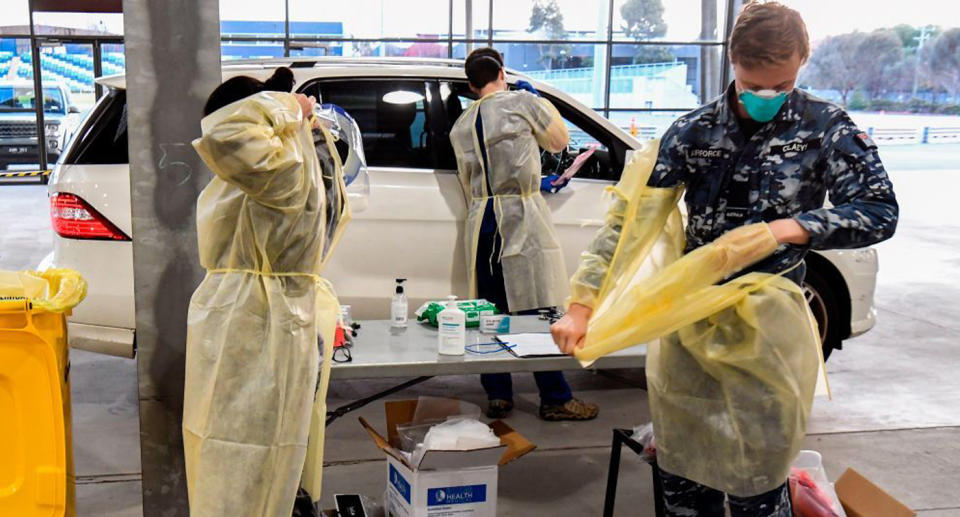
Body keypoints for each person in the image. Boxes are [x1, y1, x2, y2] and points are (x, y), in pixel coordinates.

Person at [552, 3, 898, 515]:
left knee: (758, 478)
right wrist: (581, 305)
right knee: (683, 475)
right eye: (752, 84)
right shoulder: (692, 131)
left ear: (804, 60)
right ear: (732, 60)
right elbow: (629, 222)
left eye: (779, 86)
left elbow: (879, 211)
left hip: (768, 334)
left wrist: (792, 227)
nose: (765, 98)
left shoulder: (826, 128)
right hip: (690, 325)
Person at [184, 67, 352, 516]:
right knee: (273, 454)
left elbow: (226, 133)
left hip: (256, 328)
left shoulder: (284, 171)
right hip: (273, 321)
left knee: (242, 459)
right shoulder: (298, 163)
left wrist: (284, 105)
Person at [449, 47, 598, 421]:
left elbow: (466, 181)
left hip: (482, 219)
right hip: (520, 215)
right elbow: (559, 141)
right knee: (536, 307)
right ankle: (555, 398)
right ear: (502, 71)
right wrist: (539, 101)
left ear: (470, 84)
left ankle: (498, 395)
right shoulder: (521, 103)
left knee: (490, 310)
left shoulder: (462, 124)